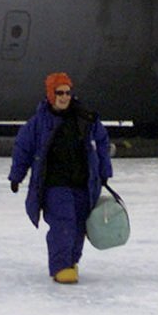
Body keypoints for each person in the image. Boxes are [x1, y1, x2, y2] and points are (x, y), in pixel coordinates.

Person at [7, 72, 112, 284]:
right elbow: (23, 149)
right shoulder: (39, 123)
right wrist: (16, 176)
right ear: (50, 94)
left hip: (82, 183)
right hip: (55, 185)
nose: (64, 97)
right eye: (59, 93)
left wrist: (104, 172)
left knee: (79, 224)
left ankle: (71, 261)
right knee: (63, 223)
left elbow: (101, 143)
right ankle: (60, 265)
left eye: (67, 92)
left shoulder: (85, 119)